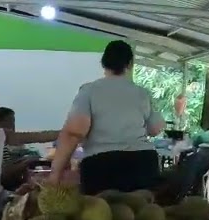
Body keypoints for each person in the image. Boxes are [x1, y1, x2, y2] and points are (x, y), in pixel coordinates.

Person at [48, 40, 165, 195]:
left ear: (104, 64)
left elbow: (74, 133)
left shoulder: (88, 91)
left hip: (101, 164)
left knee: (101, 215)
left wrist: (55, 175)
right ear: (129, 64)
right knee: (139, 214)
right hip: (142, 163)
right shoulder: (143, 93)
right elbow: (155, 129)